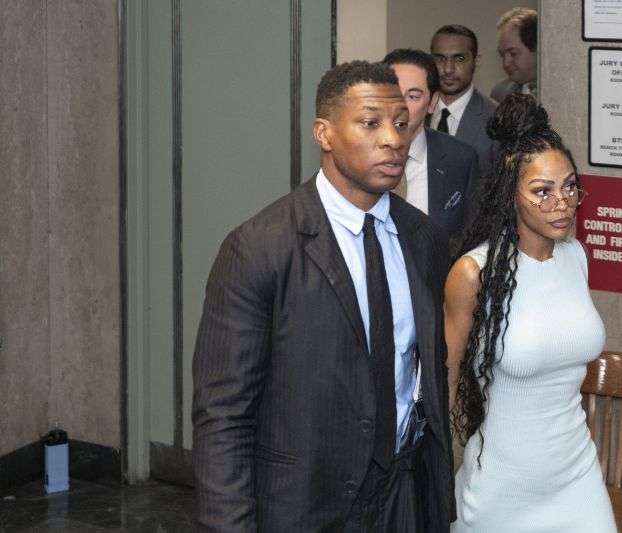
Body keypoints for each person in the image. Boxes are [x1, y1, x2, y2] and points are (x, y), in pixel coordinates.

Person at [192, 60, 455, 532]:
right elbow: (223, 415)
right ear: (324, 133)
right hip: (305, 506)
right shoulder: (260, 248)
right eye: (370, 123)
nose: (393, 139)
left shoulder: (424, 239)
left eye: (400, 123)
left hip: (403, 496)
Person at [444, 94, 617, 532]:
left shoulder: (576, 257)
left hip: (576, 474)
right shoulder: (473, 274)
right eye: (542, 191)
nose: (562, 202)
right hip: (504, 486)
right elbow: (446, 385)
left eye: (570, 186)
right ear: (510, 195)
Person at [382, 49, 479, 252]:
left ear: (432, 103)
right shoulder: (354, 155)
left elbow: (471, 238)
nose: (400, 106)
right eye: (393, 94)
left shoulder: (460, 159)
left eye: (413, 96)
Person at [429, 25, 497, 178]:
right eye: (440, 59)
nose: (448, 69)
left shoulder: (496, 118)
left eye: (459, 59)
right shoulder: (415, 111)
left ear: (476, 61)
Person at [492, 7, 538, 103]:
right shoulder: (499, 94)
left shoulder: (566, 87)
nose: (506, 64)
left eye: (513, 54)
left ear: (537, 48)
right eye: (502, 55)